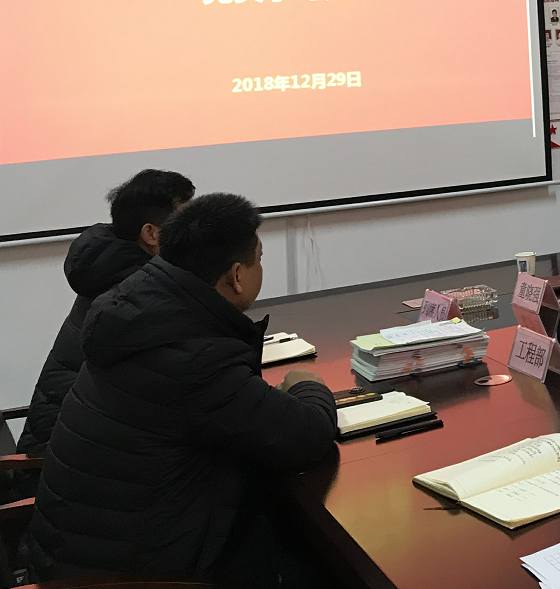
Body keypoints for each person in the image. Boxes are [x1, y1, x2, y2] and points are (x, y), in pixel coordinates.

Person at [25, 193, 338, 587]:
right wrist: (307, 384)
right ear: (236, 275)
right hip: (136, 576)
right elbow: (308, 434)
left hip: (71, 556)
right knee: (312, 554)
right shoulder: (195, 360)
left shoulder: (137, 312)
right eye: (259, 259)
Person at [17, 169, 195, 455]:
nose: (196, 234)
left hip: (83, 441)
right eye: (186, 223)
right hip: (68, 458)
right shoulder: (135, 291)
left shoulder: (114, 268)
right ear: (151, 234)